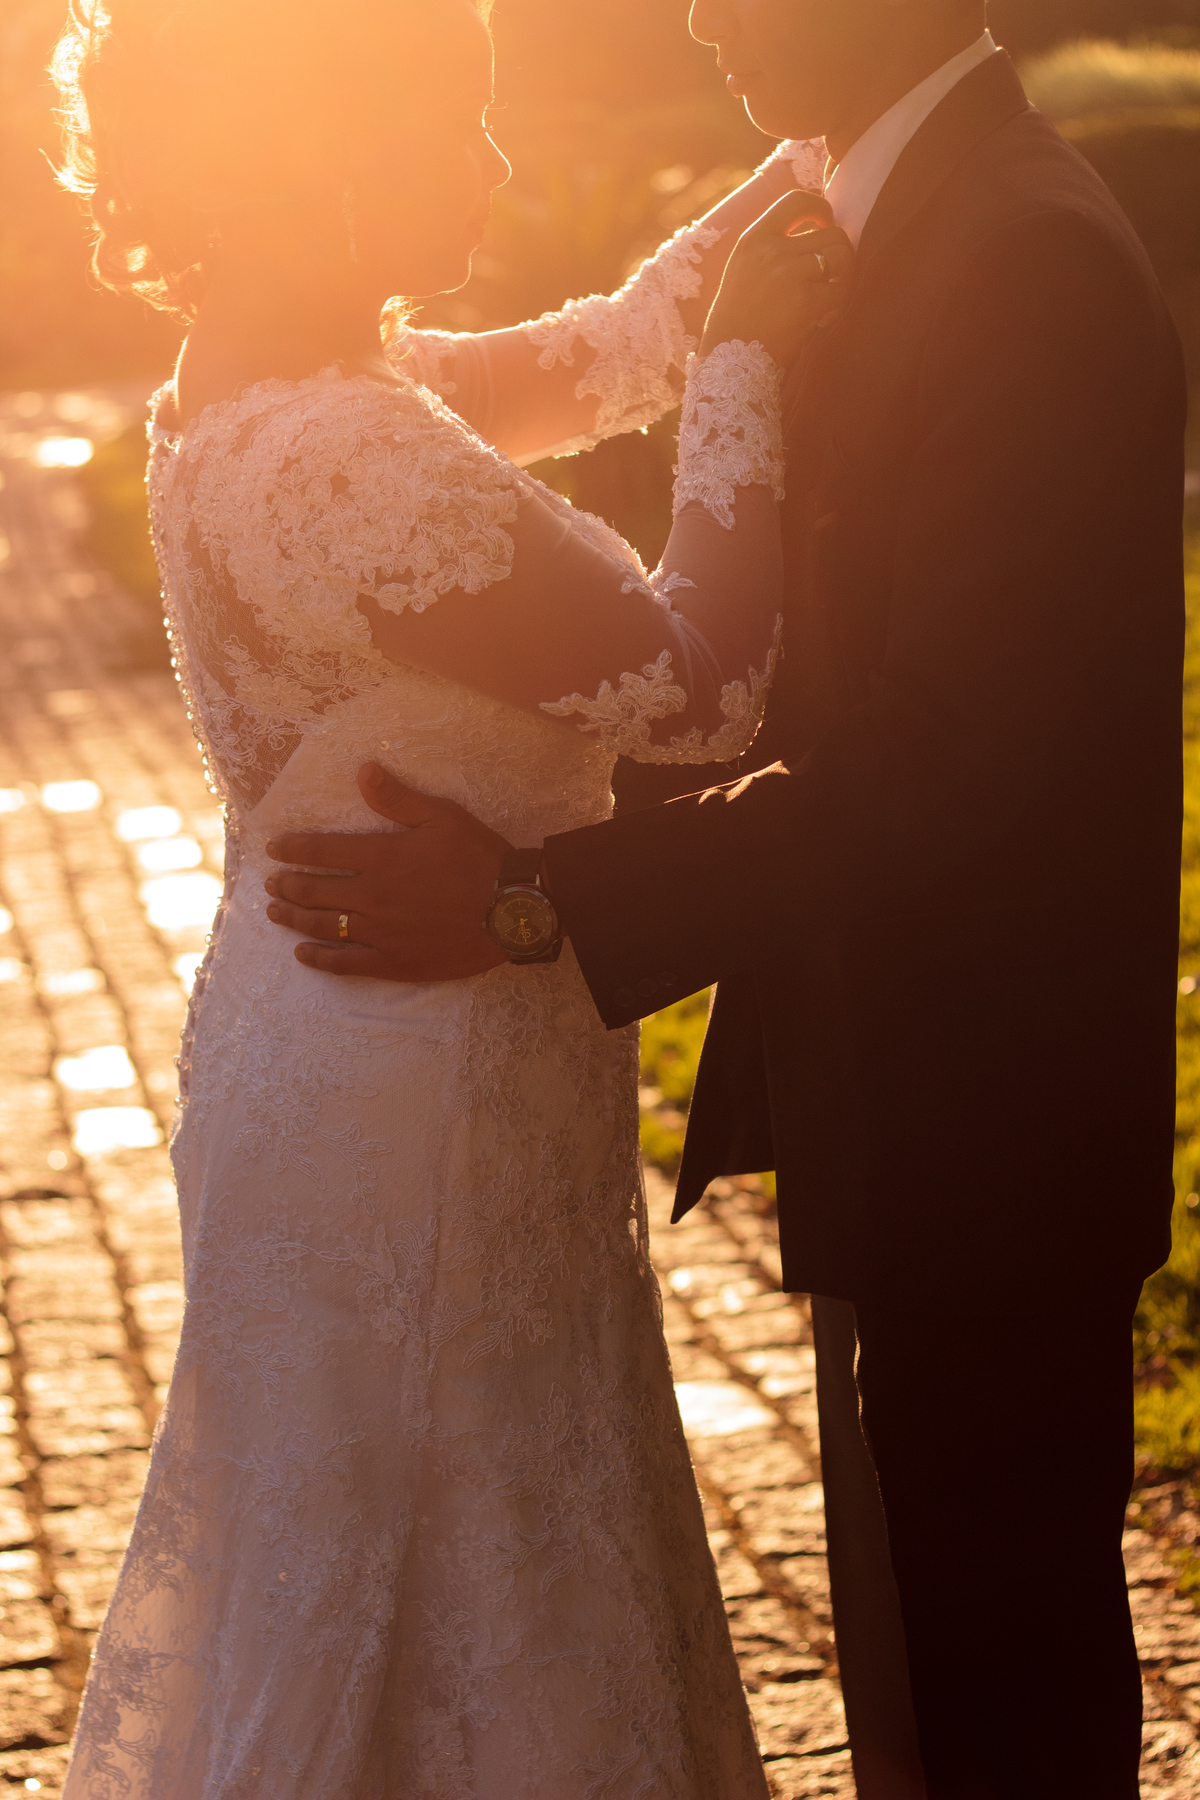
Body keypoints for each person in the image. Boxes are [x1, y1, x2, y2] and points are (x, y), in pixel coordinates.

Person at [264, 1, 1189, 1795]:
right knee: (930, 1679)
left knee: (999, 1690)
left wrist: (544, 897)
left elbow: (954, 755)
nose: (699, 16)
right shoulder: (861, 217)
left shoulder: (1023, 258)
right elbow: (816, 653)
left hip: (991, 1116)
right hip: (902, 1095)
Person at [53, 0, 858, 1792]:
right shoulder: (345, 455)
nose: (493, 167)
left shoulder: (273, 377)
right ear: (327, 154)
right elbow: (700, 686)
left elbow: (601, 350)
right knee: (472, 1530)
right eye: (460, 125)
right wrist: (748, 379)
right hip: (417, 1094)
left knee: (416, 1531)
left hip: (336, 1045)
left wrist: (810, 158)